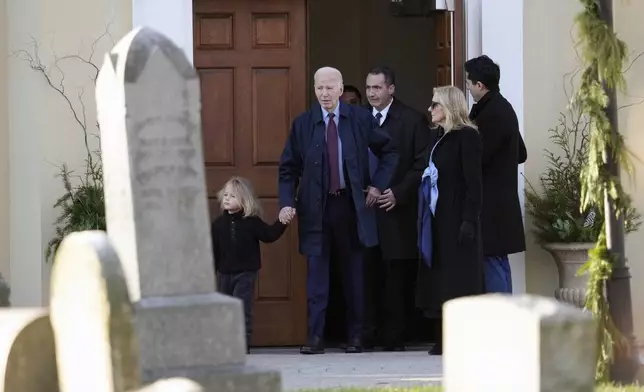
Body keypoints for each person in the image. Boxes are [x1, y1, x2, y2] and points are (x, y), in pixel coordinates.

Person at [278, 66, 398, 355]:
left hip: (351, 207)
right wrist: (286, 202)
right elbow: (287, 168)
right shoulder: (303, 124)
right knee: (317, 278)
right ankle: (315, 337)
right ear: (314, 90)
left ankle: (356, 337)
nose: (325, 93)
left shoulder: (359, 118)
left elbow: (390, 152)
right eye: (320, 88)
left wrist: (377, 185)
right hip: (316, 209)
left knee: (354, 275)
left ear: (341, 90)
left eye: (330, 88)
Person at [361, 66, 430, 351]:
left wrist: (398, 194)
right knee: (366, 276)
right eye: (368, 88)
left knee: (396, 279)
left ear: (391, 89)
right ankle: (366, 334)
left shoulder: (413, 120)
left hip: (398, 212)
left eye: (377, 88)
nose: (371, 93)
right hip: (365, 212)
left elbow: (422, 163)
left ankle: (394, 337)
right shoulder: (359, 119)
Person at [416, 86, 484, 356]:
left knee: (459, 279)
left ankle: (462, 338)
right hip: (438, 218)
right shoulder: (438, 138)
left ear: (449, 107)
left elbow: (474, 183)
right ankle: (442, 336)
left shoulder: (467, 137)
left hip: (458, 219)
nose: (430, 109)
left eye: (435, 104)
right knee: (441, 278)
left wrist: (469, 219)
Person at [464, 55, 527, 293]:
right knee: (497, 260)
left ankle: (501, 318)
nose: (468, 88)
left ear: (480, 85)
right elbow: (520, 152)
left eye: (470, 83)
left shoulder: (492, 112)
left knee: (492, 261)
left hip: (492, 202)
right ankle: (505, 314)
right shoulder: (501, 107)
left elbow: (478, 156)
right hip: (500, 201)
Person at [211, 176, 288, 354]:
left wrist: (282, 221)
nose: (227, 199)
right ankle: (225, 344)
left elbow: (269, 235)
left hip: (245, 273)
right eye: (226, 195)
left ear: (244, 200)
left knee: (242, 308)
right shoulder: (218, 225)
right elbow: (214, 251)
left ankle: (243, 344)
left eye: (233, 196)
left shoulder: (252, 222)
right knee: (225, 309)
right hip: (224, 274)